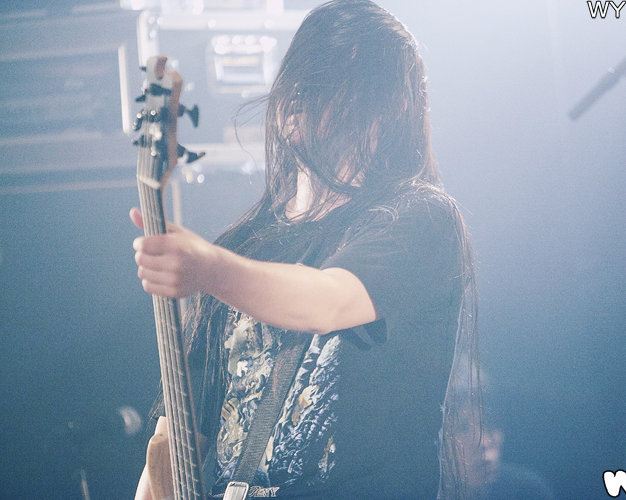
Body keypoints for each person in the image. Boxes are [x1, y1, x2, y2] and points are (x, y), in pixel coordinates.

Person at [131, 1, 478, 499]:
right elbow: (172, 446)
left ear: (388, 105)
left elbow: (326, 303)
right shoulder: (242, 247)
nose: (300, 92)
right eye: (300, 72)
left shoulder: (420, 220)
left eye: (329, 78)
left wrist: (210, 269)